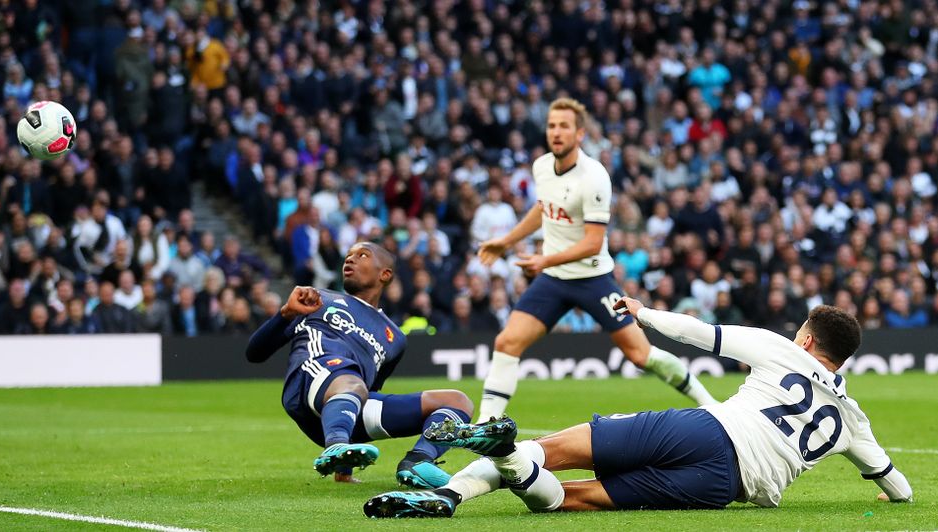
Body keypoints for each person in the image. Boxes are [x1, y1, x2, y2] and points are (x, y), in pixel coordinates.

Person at [364, 299, 912, 518]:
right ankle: (503, 466)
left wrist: (643, 314)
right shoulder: (853, 420)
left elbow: (700, 333)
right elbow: (896, 485)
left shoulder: (783, 349)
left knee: (554, 449)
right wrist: (894, 495)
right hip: (724, 489)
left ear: (810, 342)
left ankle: (458, 487)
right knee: (570, 502)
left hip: (710, 431)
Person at [474, 98, 715, 423]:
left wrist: (544, 261)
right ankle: (483, 426)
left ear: (580, 134)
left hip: (593, 279)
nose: (556, 132)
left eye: (564, 126)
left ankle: (709, 402)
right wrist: (506, 241)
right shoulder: (542, 166)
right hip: (554, 278)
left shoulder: (594, 176)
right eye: (552, 126)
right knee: (507, 341)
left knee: (640, 354)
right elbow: (543, 208)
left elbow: (592, 243)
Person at [245, 242, 473, 488]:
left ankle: (418, 462)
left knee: (458, 402)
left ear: (384, 274)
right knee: (352, 383)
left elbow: (365, 391)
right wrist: (286, 313)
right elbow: (255, 353)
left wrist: (344, 468)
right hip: (307, 383)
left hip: (343, 404)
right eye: (348, 256)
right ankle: (335, 445)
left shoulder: (395, 337)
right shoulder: (317, 299)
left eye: (362, 255)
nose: (350, 260)